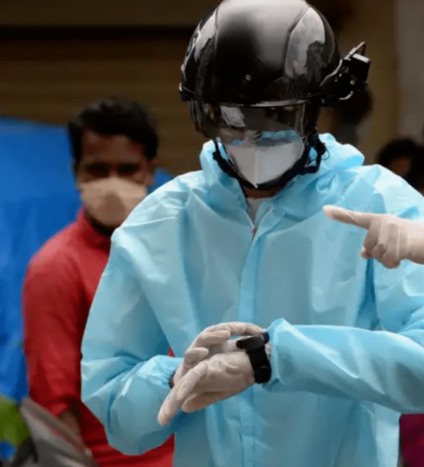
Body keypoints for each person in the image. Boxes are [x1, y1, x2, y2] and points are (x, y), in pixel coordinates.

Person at [79, 1, 424, 466]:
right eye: (232, 121)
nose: (254, 141)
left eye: (276, 121)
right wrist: (177, 378)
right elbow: (114, 408)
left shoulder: (382, 205)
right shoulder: (159, 223)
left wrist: (274, 358)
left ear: (315, 109)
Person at [22, 97, 173, 467]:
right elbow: (55, 407)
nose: (112, 183)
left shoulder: (179, 250)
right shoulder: (57, 268)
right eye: (98, 170)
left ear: (150, 171)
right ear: (77, 173)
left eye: (127, 169)